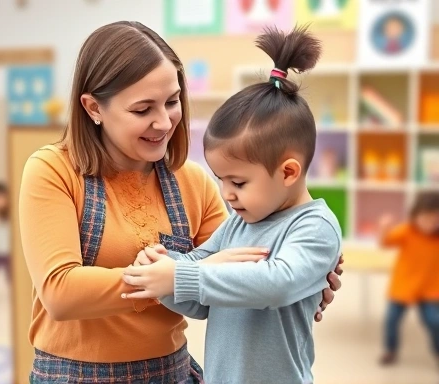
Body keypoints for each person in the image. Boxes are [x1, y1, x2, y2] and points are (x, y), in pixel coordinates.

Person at [19, 21, 342, 383]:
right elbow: (61, 293)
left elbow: (236, 277)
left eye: (172, 102)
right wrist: (164, 275)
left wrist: (307, 280)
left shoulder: (194, 181)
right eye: (142, 110)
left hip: (171, 372)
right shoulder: (52, 171)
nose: (163, 122)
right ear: (94, 107)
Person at [122, 26, 342, 384]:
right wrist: (161, 270)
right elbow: (200, 289)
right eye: (220, 179)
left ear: (288, 172)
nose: (226, 193)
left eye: (238, 182)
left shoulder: (314, 227)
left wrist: (179, 275)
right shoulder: (240, 223)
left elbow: (276, 283)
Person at [377, 192, 439, 366]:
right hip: (403, 286)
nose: (430, 223)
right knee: (391, 320)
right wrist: (384, 228)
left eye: (436, 219)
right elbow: (385, 242)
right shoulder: (407, 230)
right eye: (426, 217)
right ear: (415, 215)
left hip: (430, 289)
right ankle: (390, 350)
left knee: (435, 322)